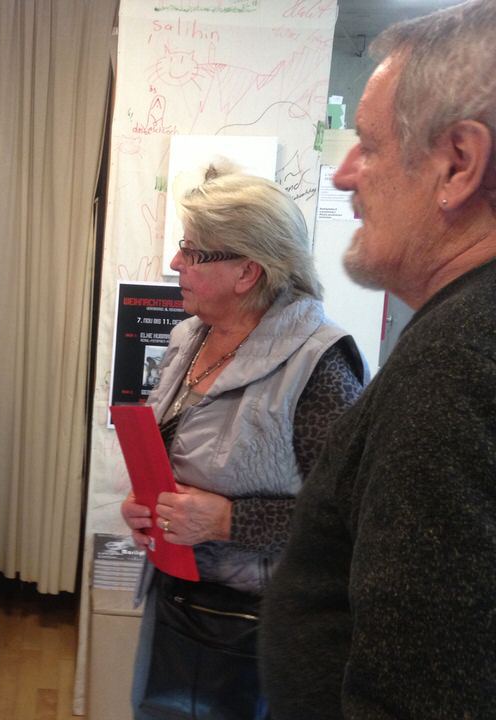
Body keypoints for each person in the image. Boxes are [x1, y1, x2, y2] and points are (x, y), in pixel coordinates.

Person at [260, 2, 496, 717]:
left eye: (367, 145)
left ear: (458, 163)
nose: (342, 176)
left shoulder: (458, 366)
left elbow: (426, 692)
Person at [120, 173, 366, 720]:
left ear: (247, 271)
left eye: (192, 251)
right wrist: (148, 505)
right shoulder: (189, 336)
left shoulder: (320, 365)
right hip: (176, 599)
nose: (176, 263)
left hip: (258, 632)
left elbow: (348, 520)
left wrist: (227, 521)